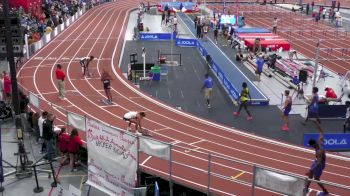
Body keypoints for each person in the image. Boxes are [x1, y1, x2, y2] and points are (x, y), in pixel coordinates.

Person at [304, 121, 329, 195]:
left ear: (312, 145)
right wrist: (317, 124)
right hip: (316, 161)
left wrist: (311, 170)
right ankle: (306, 188)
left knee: (316, 178)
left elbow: (318, 163)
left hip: (320, 164)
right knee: (310, 175)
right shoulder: (319, 141)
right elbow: (321, 132)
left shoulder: (319, 152)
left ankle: (325, 191)